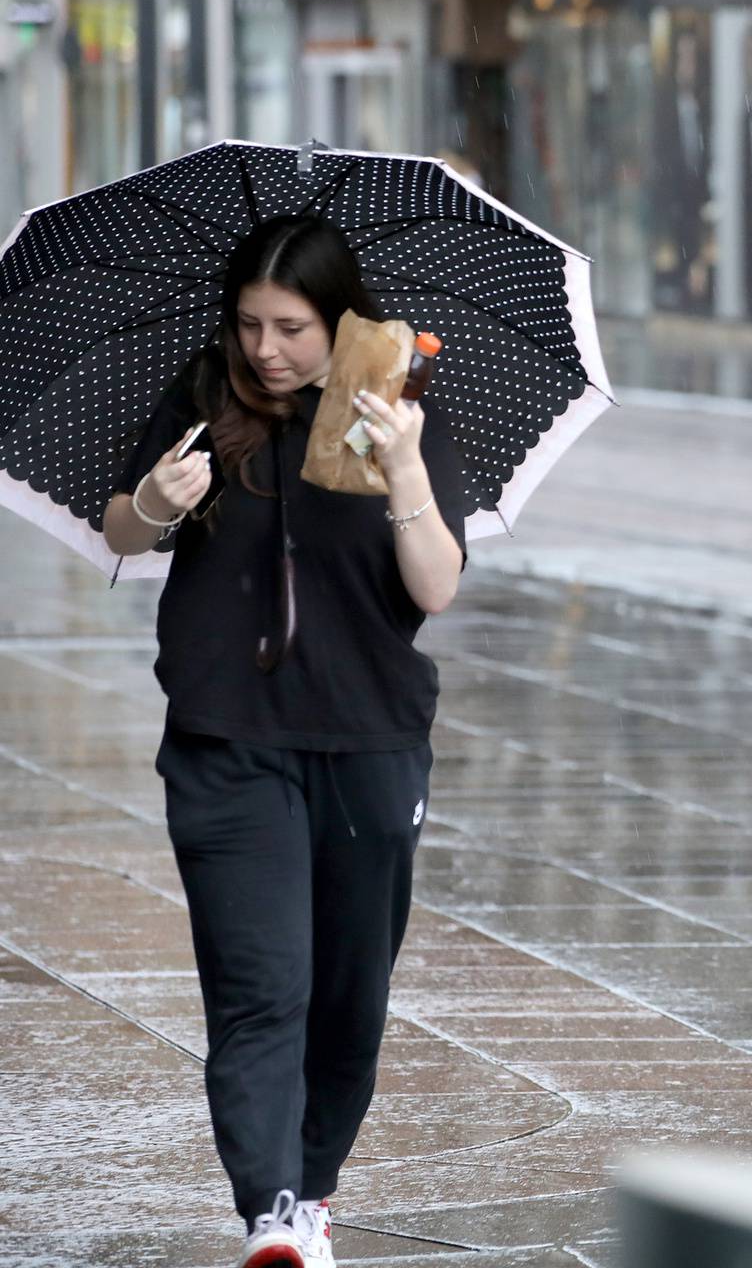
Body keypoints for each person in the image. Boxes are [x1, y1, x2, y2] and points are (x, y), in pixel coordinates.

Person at [103, 215, 468, 1267]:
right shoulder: (205, 396)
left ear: (336, 318)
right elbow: (122, 524)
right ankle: (270, 1210)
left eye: (292, 327)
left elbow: (435, 587)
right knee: (262, 985)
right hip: (228, 734)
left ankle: (310, 1186)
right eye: (250, 324)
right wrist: (157, 507)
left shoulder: (399, 404)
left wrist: (403, 468)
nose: (266, 348)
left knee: (350, 996)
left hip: (368, 738)